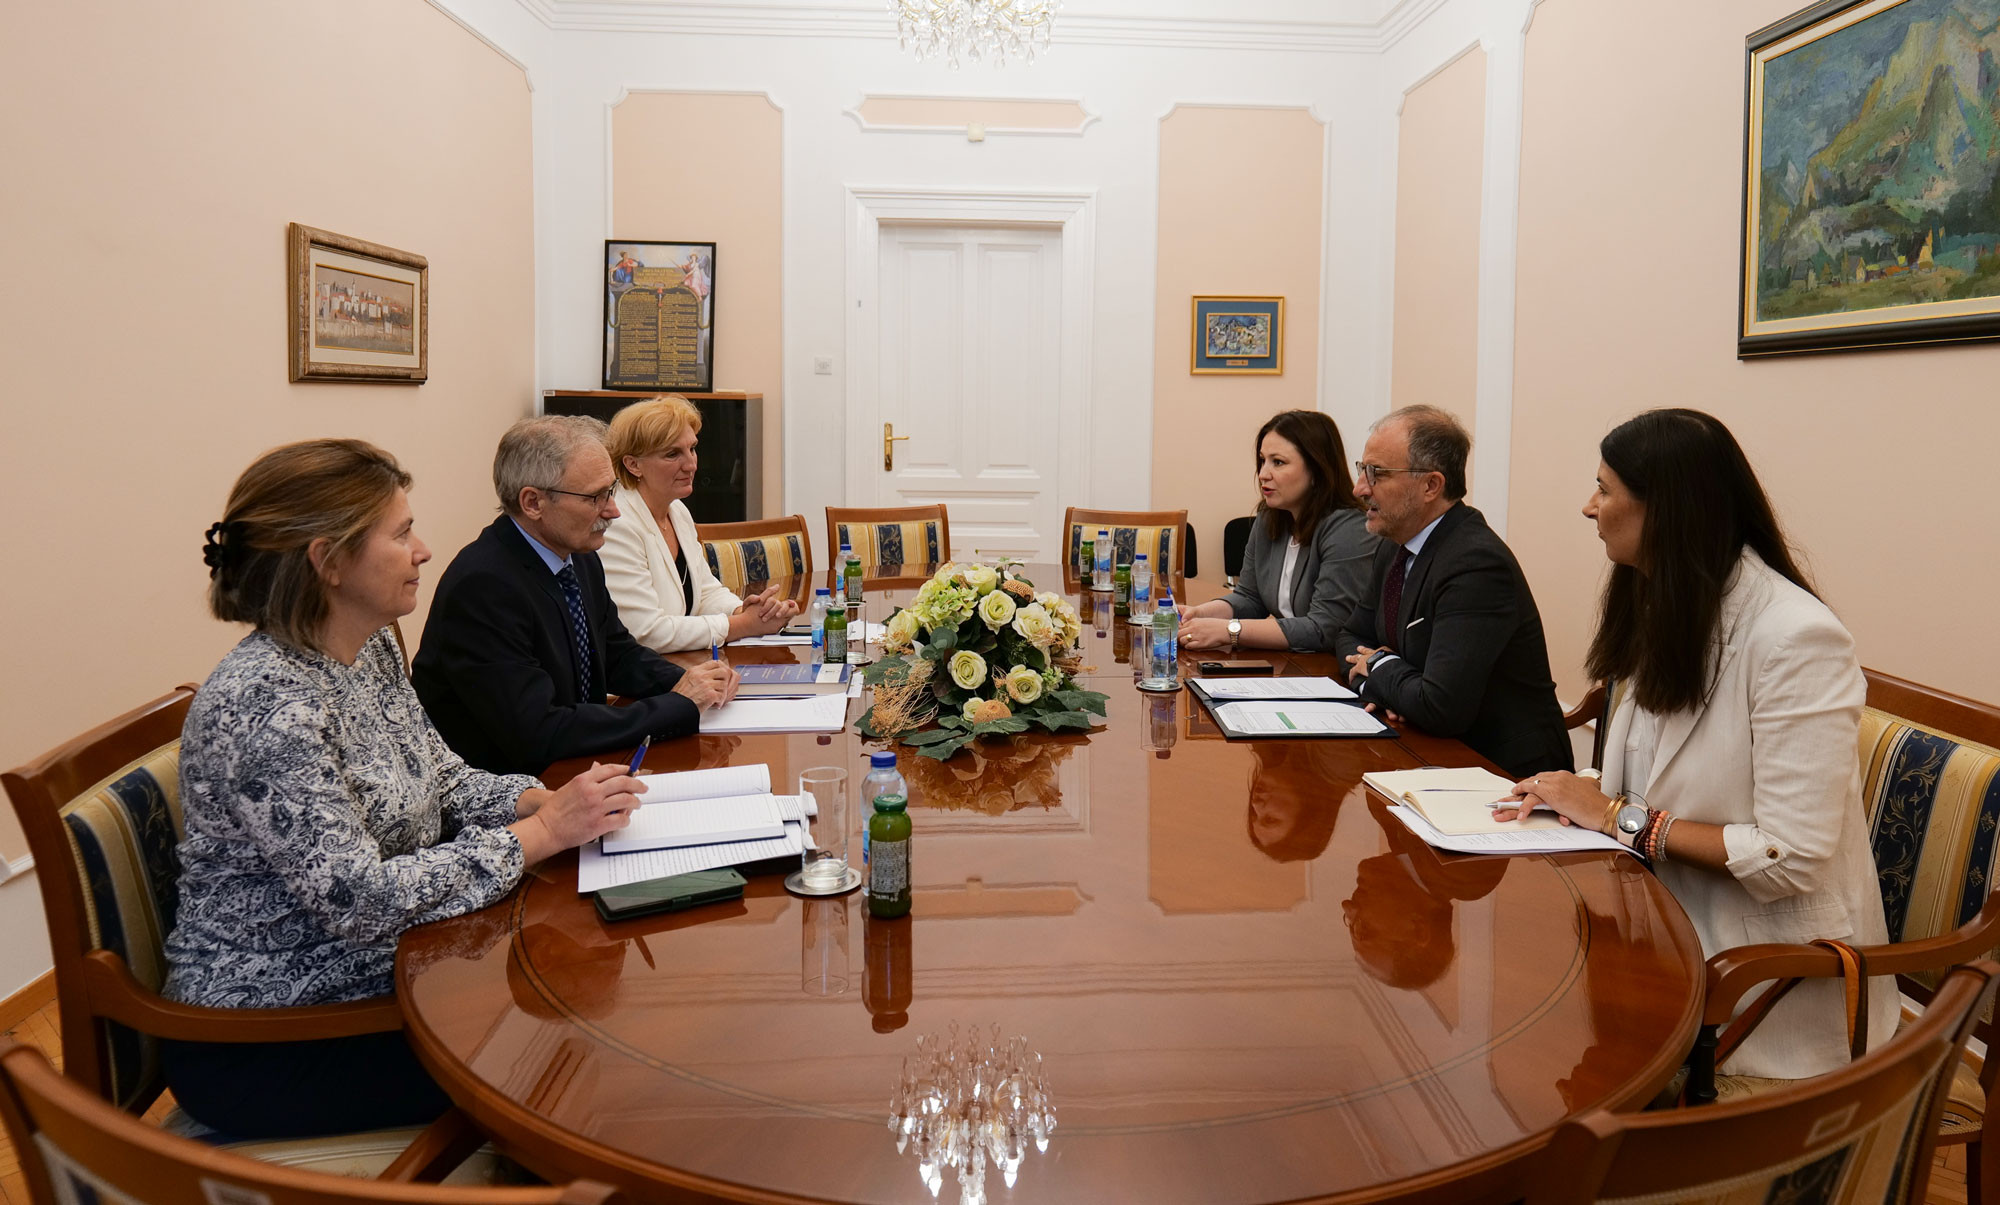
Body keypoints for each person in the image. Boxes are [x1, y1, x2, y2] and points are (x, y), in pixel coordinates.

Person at [162, 439, 642, 1138]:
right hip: (271, 1035)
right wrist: (540, 834)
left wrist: (533, 802)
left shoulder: (370, 645)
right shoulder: (269, 706)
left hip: (390, 971)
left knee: (577, 1009)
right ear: (328, 561)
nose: (423, 551)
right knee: (561, 1051)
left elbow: (440, 776)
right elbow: (360, 900)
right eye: (401, 533)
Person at [1496, 408, 1895, 1079]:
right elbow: (1656, 773)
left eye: (1605, 489)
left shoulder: (1796, 638)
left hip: (1761, 980)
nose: (1589, 506)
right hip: (1659, 931)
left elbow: (1789, 857)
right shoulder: (1664, 600)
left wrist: (1617, 816)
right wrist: (1578, 795)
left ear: (1666, 511)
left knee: (1540, 1065)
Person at [413, 415, 737, 776]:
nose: (613, 510)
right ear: (533, 502)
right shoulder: (484, 587)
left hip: (577, 765)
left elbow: (617, 654)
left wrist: (689, 681)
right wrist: (679, 705)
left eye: (611, 491)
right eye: (595, 497)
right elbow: (540, 729)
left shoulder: (578, 556)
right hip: (514, 785)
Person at [1335, 405, 1571, 777]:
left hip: (1503, 774)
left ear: (1431, 486)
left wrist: (1379, 667)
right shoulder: (1394, 545)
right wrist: (1388, 688)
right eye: (1362, 469)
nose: (1360, 488)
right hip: (1425, 749)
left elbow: (1440, 706)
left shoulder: (1475, 563)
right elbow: (1350, 636)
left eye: (1377, 473)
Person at [599, 395, 798, 653]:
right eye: (673, 454)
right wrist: (742, 625)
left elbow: (704, 592)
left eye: (692, 448)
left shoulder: (677, 511)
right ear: (633, 464)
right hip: (639, 673)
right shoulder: (618, 524)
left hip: (680, 662)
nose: (691, 464)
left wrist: (747, 611)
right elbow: (646, 632)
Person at [1180, 410, 1379, 653]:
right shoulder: (1270, 517)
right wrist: (1199, 614)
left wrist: (1230, 631)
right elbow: (1250, 598)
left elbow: (1325, 629)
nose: (1263, 474)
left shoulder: (1349, 528)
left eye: (1278, 462)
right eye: (1263, 460)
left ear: (1317, 469)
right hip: (1291, 662)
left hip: (1332, 666)